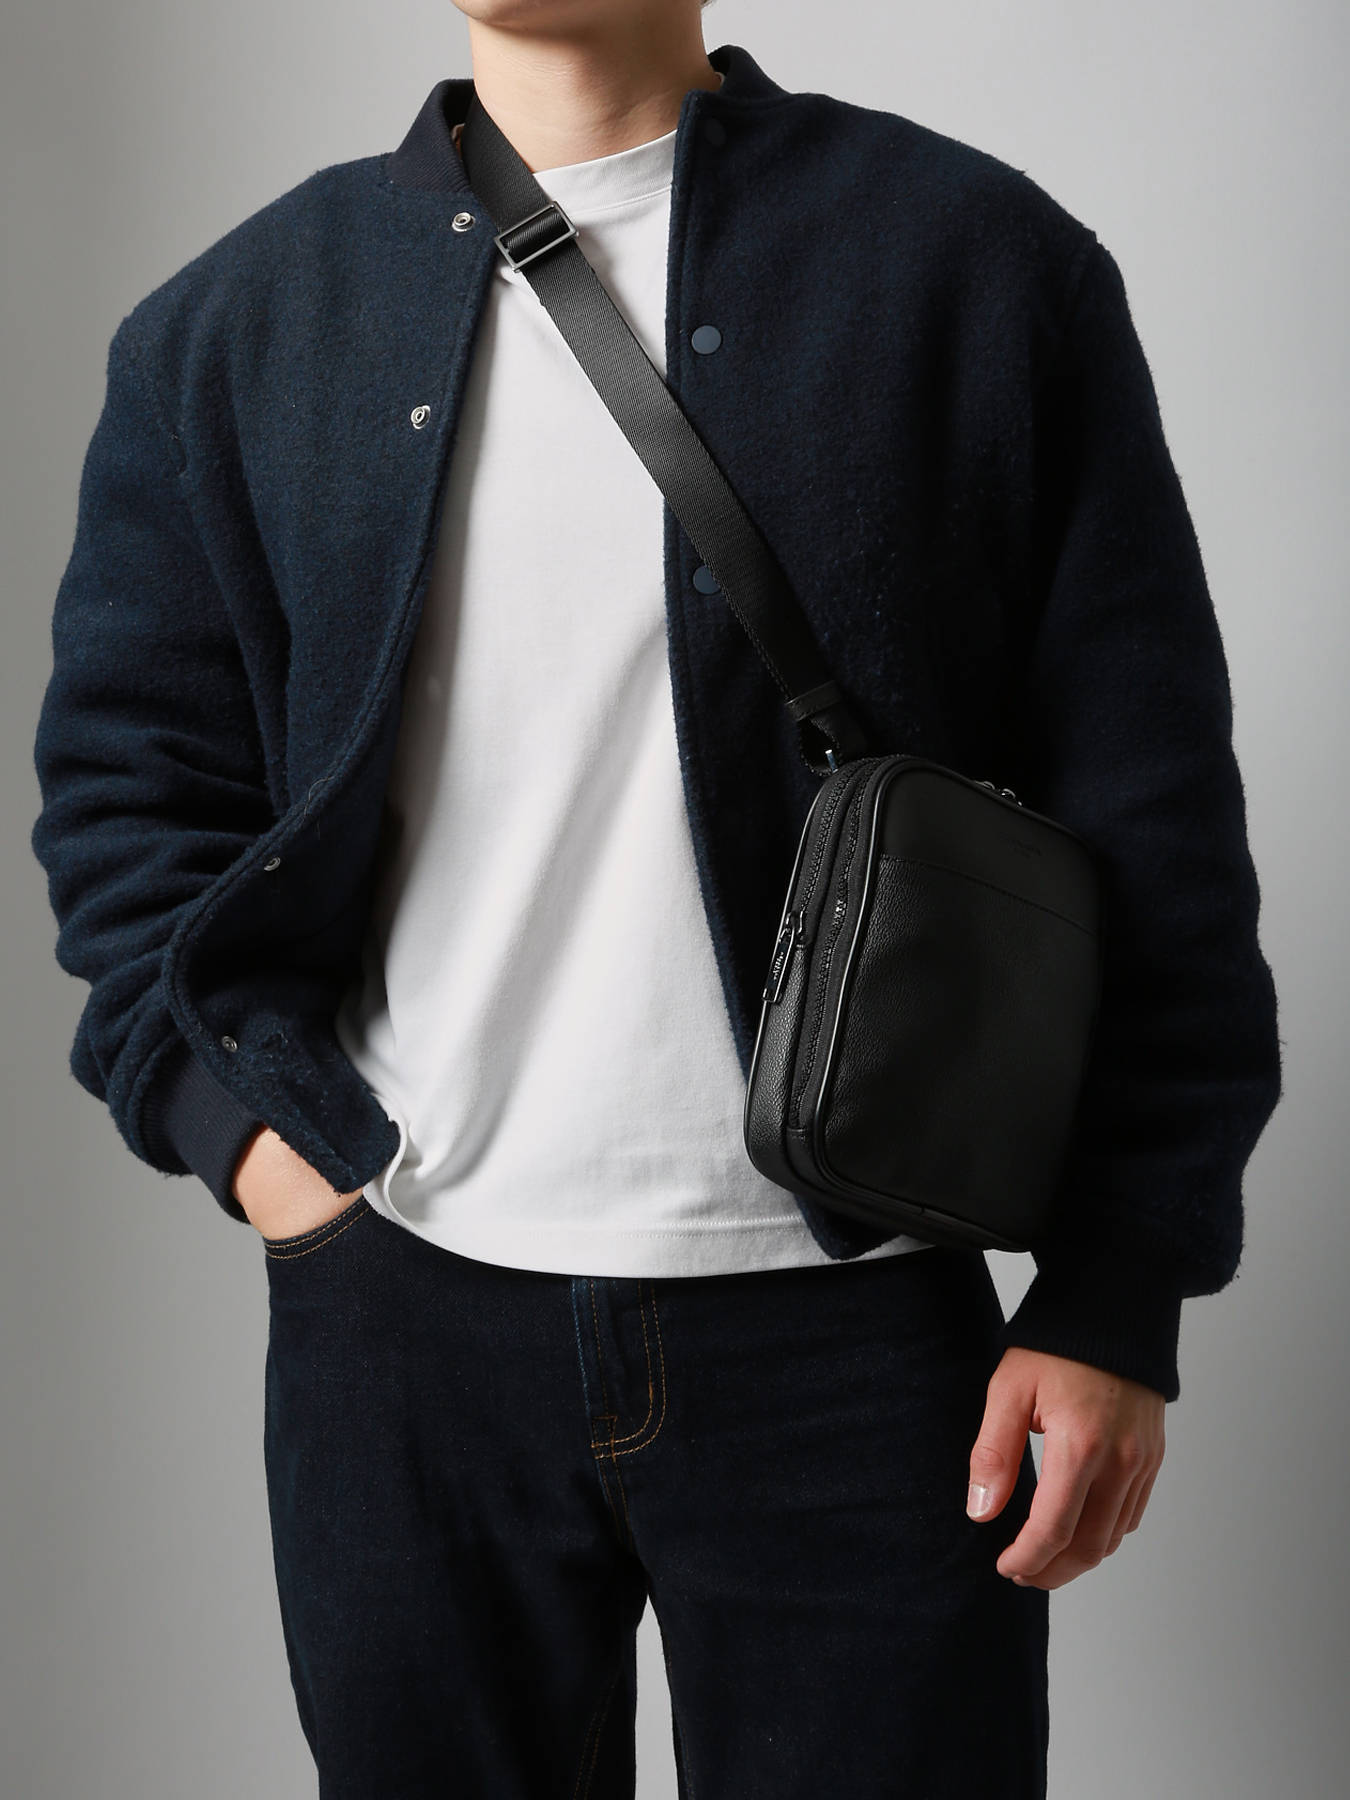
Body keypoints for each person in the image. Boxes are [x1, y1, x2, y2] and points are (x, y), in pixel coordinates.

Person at [29, 3, 1282, 1794]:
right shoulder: (235, 324)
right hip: (403, 1320)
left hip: (856, 1335)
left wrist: (1113, 1287)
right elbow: (124, 798)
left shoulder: (972, 265)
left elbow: (1149, 814)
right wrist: (256, 1150)